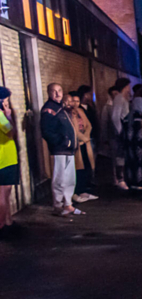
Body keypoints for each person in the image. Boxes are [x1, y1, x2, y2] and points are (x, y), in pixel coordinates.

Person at [41, 83, 83, 216]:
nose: (57, 94)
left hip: (68, 149)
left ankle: (68, 204)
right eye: (54, 91)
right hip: (59, 149)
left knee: (69, 179)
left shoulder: (61, 108)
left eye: (59, 90)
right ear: (48, 93)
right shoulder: (48, 109)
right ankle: (58, 205)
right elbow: (46, 131)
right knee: (59, 178)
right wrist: (62, 141)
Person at [67, 91, 98, 203]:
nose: (75, 103)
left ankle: (83, 190)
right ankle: (76, 192)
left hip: (85, 142)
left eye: (77, 101)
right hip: (77, 144)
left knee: (86, 166)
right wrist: (82, 137)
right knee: (78, 168)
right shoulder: (68, 113)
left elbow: (89, 125)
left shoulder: (80, 111)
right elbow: (73, 129)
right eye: (73, 101)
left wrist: (86, 136)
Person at [123, 85, 142, 190]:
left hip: (128, 144)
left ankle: (131, 182)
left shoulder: (128, 116)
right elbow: (141, 133)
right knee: (139, 163)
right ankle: (139, 182)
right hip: (139, 144)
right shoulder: (140, 118)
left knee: (130, 163)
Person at [0, 86, 19, 238]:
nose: (7, 103)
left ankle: (8, 221)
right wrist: (8, 115)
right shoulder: (0, 116)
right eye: (5, 100)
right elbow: (10, 131)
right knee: (3, 194)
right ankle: (3, 225)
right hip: (5, 159)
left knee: (5, 194)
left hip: (6, 158)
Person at [108, 78, 132, 189]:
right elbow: (115, 116)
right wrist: (120, 131)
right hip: (122, 131)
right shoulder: (119, 98)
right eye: (128, 86)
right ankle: (120, 179)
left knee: (122, 156)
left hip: (124, 130)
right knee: (120, 156)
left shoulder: (122, 98)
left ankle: (122, 179)